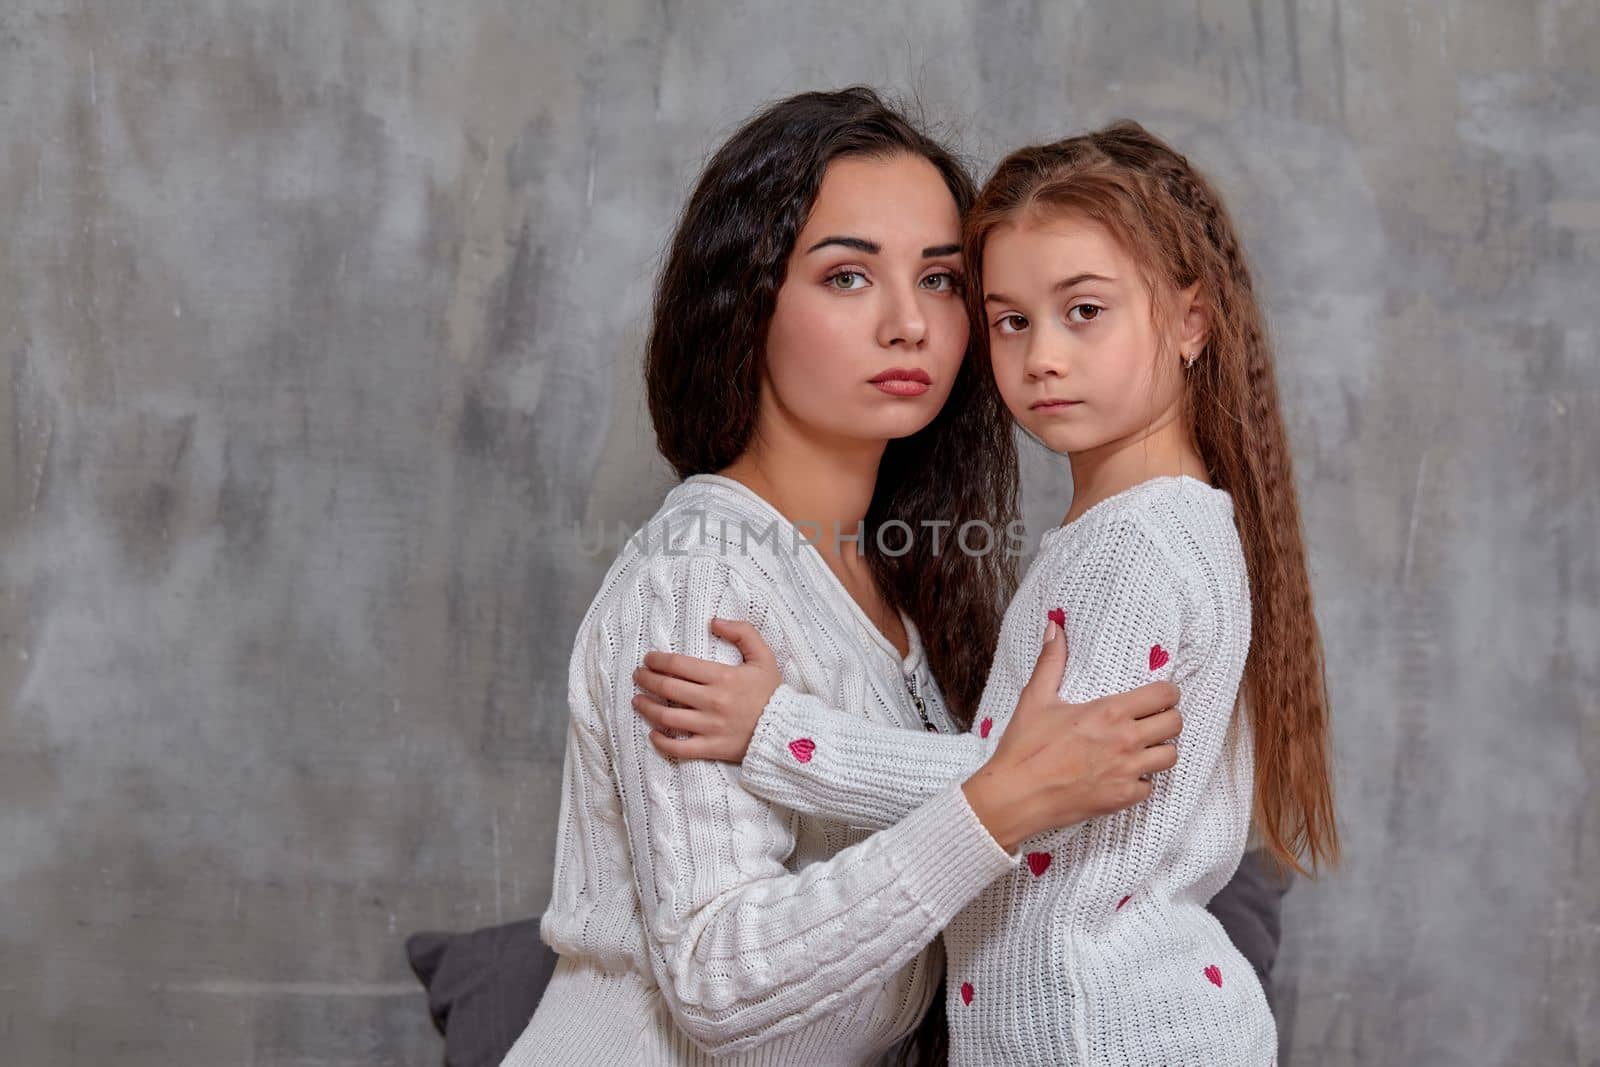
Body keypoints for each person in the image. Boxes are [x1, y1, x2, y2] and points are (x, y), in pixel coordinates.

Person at [499, 90, 1184, 1067]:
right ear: (745, 302)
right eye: (849, 276)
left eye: (941, 281)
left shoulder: (903, 577)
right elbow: (720, 983)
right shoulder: (697, 580)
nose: (910, 323)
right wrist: (999, 801)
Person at [633, 120, 1339, 1064]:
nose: (1042, 355)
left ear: (1190, 321)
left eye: (1084, 311)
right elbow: (1031, 774)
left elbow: (1041, 783)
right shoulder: (1143, 529)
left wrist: (780, 735)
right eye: (1010, 319)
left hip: (1104, 1032)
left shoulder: (1135, 551)